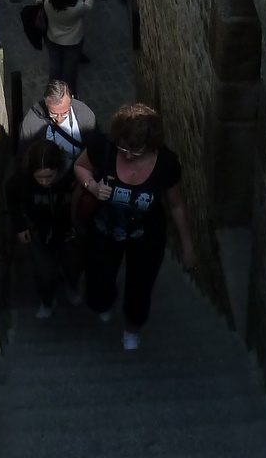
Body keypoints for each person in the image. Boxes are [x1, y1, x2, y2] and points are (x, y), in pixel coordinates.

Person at [74, 102, 195, 353]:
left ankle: (131, 329)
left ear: (150, 144)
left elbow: (176, 206)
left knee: (140, 290)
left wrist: (187, 247)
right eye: (123, 147)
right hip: (104, 231)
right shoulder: (104, 148)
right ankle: (108, 293)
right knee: (98, 294)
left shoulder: (166, 164)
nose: (128, 155)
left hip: (146, 236)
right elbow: (81, 166)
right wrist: (93, 187)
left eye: (136, 150)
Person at [5, 138, 85, 318]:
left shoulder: (73, 174)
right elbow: (11, 196)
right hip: (38, 229)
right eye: (39, 178)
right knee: (43, 272)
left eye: (50, 177)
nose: (45, 182)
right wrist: (20, 225)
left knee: (73, 264)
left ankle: (72, 285)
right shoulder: (21, 177)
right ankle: (48, 300)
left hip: (68, 229)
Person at [35, 0, 97, 93]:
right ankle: (70, 95)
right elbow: (88, 6)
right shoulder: (77, 7)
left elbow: (37, 1)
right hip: (72, 42)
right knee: (69, 72)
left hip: (52, 38)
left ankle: (52, 94)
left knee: (55, 68)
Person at [20, 78, 100, 172]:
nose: (59, 119)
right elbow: (23, 157)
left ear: (71, 100)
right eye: (53, 114)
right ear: (46, 105)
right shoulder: (31, 123)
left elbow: (95, 149)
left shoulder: (85, 115)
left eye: (64, 114)